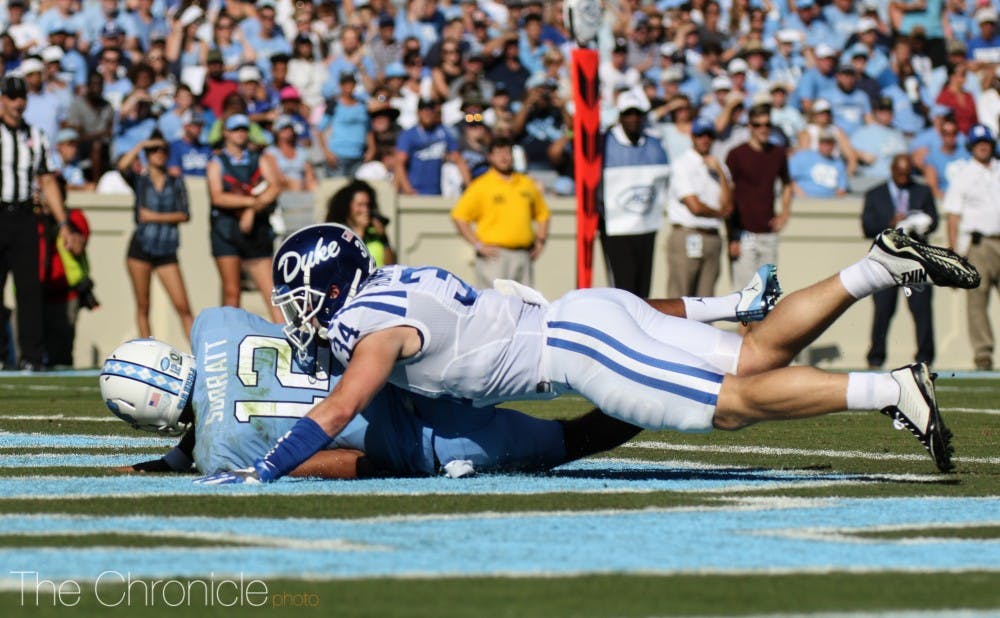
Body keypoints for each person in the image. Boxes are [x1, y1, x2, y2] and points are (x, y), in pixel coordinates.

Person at [200, 222, 982, 486]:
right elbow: (631, 308)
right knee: (748, 359)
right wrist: (722, 305)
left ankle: (890, 390)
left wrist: (263, 470)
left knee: (734, 406)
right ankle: (875, 266)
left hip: (580, 350)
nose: (298, 316)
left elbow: (340, 407)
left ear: (332, 289)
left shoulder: (369, 326)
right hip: (588, 311)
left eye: (300, 299)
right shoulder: (404, 280)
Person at [100, 307, 642, 478]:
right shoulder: (213, 323)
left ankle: (668, 407)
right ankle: (681, 346)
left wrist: (401, 465)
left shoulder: (218, 454)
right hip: (410, 362)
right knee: (566, 353)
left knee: (572, 441)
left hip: (419, 437)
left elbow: (342, 460)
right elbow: (296, 332)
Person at [0, 75, 77, 371]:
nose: (18, 103)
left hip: (23, 216)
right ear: (3, 99)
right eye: (12, 97)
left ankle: (31, 356)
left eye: (22, 98)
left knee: (30, 289)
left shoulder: (36, 136)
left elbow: (47, 180)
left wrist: (64, 223)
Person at [204, 113, 284, 322]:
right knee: (232, 292)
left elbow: (275, 186)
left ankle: (288, 344)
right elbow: (218, 197)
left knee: (273, 295)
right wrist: (252, 203)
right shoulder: (217, 162)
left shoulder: (259, 158)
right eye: (235, 129)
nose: (240, 133)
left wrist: (251, 211)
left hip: (256, 230)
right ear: (225, 133)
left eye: (243, 129)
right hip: (226, 230)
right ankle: (229, 341)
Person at [862, 154, 938, 369]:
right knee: (883, 310)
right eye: (900, 173)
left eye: (907, 173)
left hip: (914, 260)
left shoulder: (922, 191)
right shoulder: (875, 194)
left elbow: (934, 222)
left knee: (921, 310)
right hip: (886, 259)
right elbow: (867, 227)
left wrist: (917, 224)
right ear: (892, 171)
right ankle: (876, 358)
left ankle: (925, 359)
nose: (904, 178)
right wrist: (890, 223)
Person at [117, 135, 195, 340]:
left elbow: (185, 214)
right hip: (141, 248)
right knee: (143, 305)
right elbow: (122, 166)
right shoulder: (140, 180)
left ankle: (199, 353)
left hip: (167, 249)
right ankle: (147, 352)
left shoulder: (176, 182)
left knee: (183, 306)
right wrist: (142, 144)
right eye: (154, 150)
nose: (159, 154)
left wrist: (153, 217)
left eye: (162, 150)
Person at [450, 138, 549, 288]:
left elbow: (543, 214)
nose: (504, 157)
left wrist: (540, 240)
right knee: (494, 305)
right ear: (490, 157)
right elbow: (459, 216)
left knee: (525, 306)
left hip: (523, 254)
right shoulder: (481, 185)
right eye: (498, 153)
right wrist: (478, 245)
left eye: (507, 152)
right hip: (495, 256)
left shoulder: (526, 183)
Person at [599, 91, 670, 298]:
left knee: (643, 288)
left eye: (638, 114)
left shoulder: (655, 144)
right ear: (619, 116)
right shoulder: (604, 143)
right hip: (616, 228)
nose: (633, 119)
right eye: (628, 113)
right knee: (622, 289)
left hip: (645, 224)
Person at [943, 123, 1000, 370]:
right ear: (971, 147)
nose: (983, 147)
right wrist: (954, 252)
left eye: (986, 142)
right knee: (977, 301)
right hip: (979, 244)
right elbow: (953, 215)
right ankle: (983, 354)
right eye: (978, 144)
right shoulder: (963, 174)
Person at [725, 105, 793, 288]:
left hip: (768, 232)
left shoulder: (778, 153)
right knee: (744, 295)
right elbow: (727, 195)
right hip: (743, 233)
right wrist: (732, 236)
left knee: (766, 294)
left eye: (767, 124)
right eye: (758, 124)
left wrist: (785, 213)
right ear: (750, 126)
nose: (763, 129)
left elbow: (787, 184)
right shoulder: (736, 155)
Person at [666, 118, 731, 299]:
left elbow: (729, 203)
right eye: (700, 135)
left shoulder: (719, 166)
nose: (705, 139)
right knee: (681, 296)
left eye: (709, 135)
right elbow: (694, 206)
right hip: (688, 233)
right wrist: (720, 213)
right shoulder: (682, 164)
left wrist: (719, 172)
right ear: (693, 137)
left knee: (707, 298)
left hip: (712, 236)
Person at [395, 98, 470, 195]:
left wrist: (469, 187)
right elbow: (399, 164)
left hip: (438, 192)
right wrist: (408, 189)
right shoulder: (408, 135)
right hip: (416, 190)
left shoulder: (444, 132)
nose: (427, 113)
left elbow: (458, 159)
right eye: (424, 110)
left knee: (451, 169)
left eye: (430, 110)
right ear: (418, 112)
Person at [325, 180, 396, 267]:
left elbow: (390, 264)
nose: (365, 210)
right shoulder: (340, 234)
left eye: (367, 205)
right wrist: (359, 231)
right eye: (360, 205)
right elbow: (349, 264)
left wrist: (384, 238)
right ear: (347, 207)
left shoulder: (374, 231)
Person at [789, 128, 849, 198]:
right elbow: (788, 178)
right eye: (823, 143)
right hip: (803, 200)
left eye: (830, 143)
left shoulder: (839, 163)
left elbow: (842, 188)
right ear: (818, 143)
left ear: (834, 145)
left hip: (829, 202)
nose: (826, 146)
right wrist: (802, 195)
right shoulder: (802, 156)